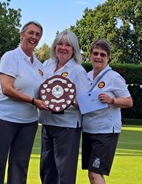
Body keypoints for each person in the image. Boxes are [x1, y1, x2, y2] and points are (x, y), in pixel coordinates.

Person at [0, 21, 48, 184]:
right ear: (22, 35)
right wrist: (34, 101)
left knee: (20, 166)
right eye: (31, 33)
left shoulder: (41, 67)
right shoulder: (11, 57)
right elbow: (7, 88)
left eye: (37, 34)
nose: (34, 37)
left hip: (29, 121)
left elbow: (46, 92)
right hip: (3, 117)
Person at [39, 30, 88, 184]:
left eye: (68, 45)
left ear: (74, 49)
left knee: (64, 172)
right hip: (47, 122)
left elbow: (85, 103)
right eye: (60, 43)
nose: (63, 48)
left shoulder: (78, 71)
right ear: (55, 46)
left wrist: (68, 100)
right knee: (46, 169)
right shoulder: (47, 64)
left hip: (67, 126)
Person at [81, 38, 133, 184]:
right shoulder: (86, 76)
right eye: (95, 53)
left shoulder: (114, 77)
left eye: (102, 54)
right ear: (90, 55)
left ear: (108, 58)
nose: (98, 57)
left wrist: (112, 101)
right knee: (93, 173)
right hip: (88, 129)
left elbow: (129, 101)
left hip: (106, 131)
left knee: (95, 173)